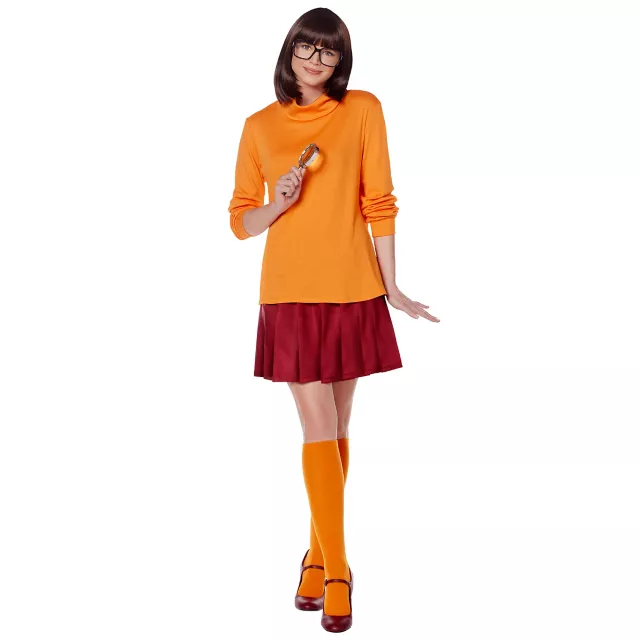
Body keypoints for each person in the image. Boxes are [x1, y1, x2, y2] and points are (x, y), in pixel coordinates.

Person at [228, 7, 439, 633]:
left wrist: (391, 285)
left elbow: (380, 201)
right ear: (289, 51)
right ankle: (341, 571)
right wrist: (278, 202)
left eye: (330, 51)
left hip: (352, 286)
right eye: (307, 47)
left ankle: (316, 557)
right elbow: (240, 221)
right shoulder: (259, 126)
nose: (317, 60)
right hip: (289, 290)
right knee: (317, 421)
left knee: (339, 424)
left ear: (341, 61)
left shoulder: (363, 109)